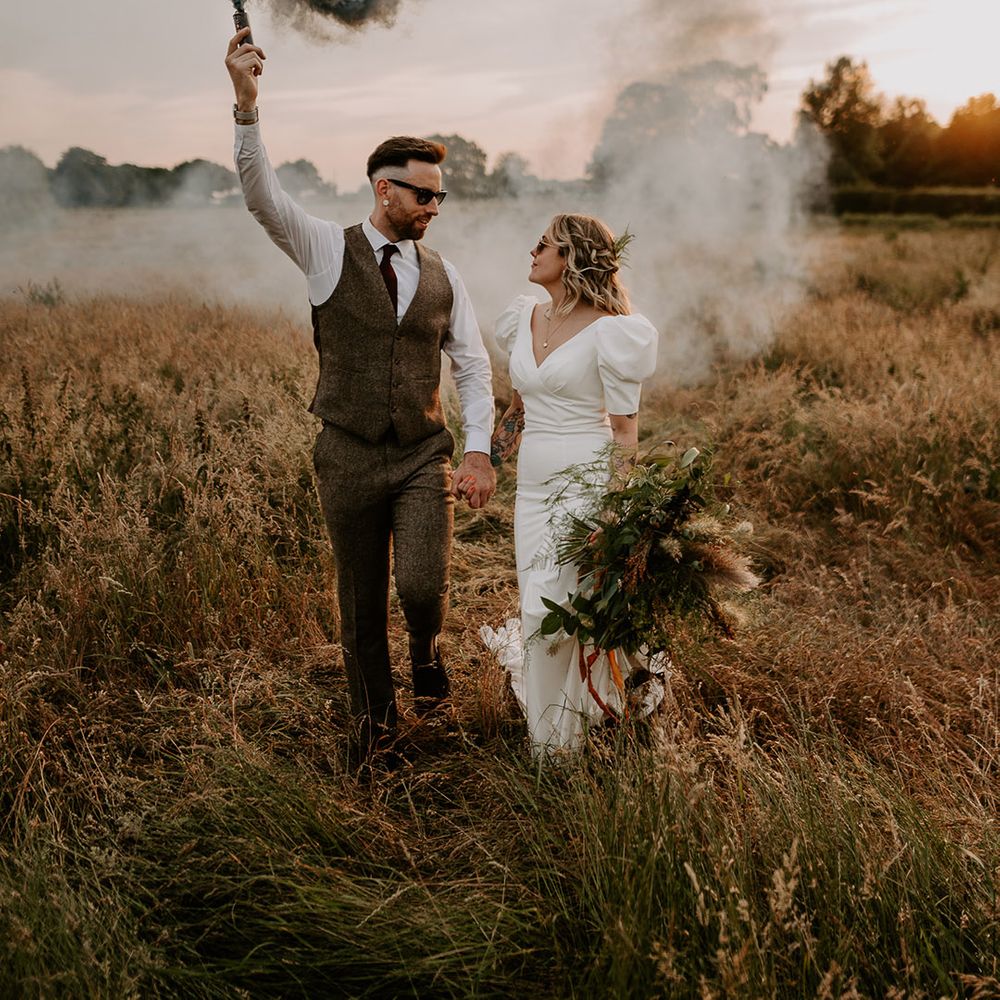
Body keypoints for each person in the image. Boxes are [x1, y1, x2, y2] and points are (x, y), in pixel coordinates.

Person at [225, 28, 496, 763]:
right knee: (360, 605)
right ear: (385, 188)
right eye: (424, 194)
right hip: (345, 456)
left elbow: (471, 364)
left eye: (440, 196)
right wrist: (248, 106)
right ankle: (379, 731)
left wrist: (476, 452)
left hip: (418, 456)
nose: (435, 207)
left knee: (419, 583)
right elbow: (262, 198)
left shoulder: (444, 275)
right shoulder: (323, 248)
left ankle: (430, 650)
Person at [480, 214, 667, 755]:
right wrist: (485, 462)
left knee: (562, 606)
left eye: (545, 244)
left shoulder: (613, 331)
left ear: (572, 257)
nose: (532, 251)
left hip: (584, 482)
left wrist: (617, 509)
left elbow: (626, 430)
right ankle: (549, 742)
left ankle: (584, 727)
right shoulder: (525, 318)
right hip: (532, 491)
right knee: (535, 607)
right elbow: (517, 408)